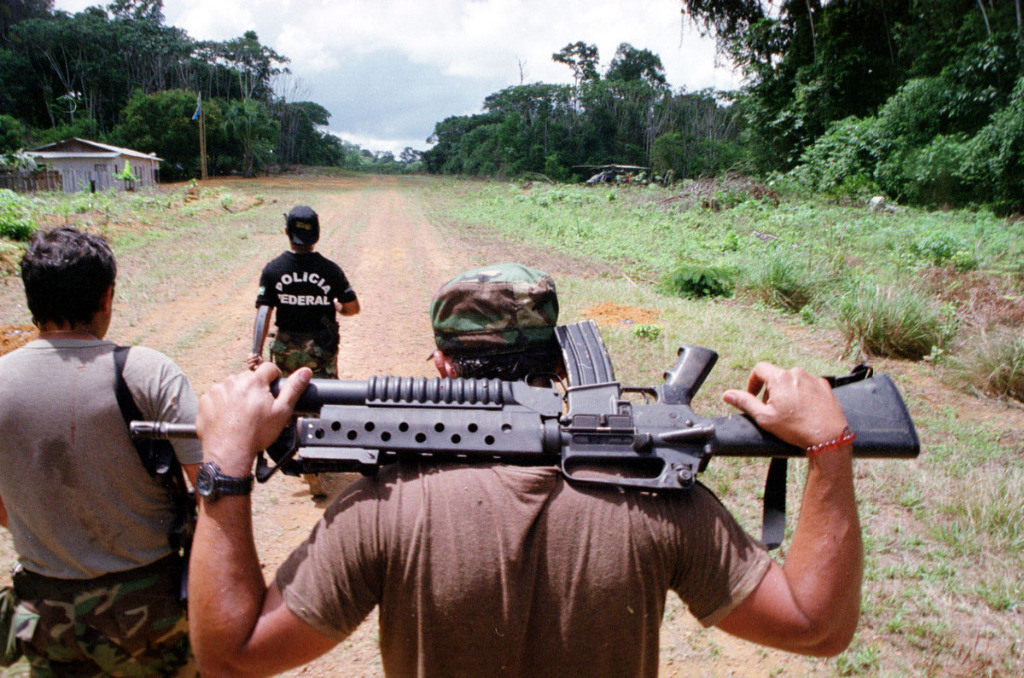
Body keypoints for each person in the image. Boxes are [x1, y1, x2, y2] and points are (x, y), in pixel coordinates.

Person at [187, 264, 863, 677]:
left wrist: (223, 466)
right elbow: (817, 628)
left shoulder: (380, 510)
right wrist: (829, 449)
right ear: (564, 365)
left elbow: (231, 655)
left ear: (443, 367)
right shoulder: (657, 499)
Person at [0, 226, 201, 676]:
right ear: (107, 296)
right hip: (146, 607)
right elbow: (209, 485)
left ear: (31, 299)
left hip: (46, 611)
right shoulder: (148, 373)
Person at [247, 204, 360, 378]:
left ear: (286, 232)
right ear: (317, 235)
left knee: (288, 395)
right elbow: (353, 309)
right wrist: (336, 305)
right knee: (324, 397)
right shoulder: (331, 270)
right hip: (320, 352)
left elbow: (264, 311)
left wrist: (256, 353)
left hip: (286, 352)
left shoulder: (272, 270)